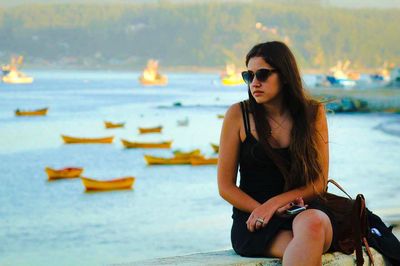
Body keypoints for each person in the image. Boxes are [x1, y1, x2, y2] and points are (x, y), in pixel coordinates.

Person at [217, 41, 334, 265]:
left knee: (313, 224)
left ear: (286, 75)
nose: (255, 83)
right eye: (249, 76)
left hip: (304, 211)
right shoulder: (238, 115)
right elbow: (226, 186)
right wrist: (263, 210)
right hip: (255, 221)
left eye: (262, 74)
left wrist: (275, 204)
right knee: (305, 245)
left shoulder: (313, 114)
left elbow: (319, 182)